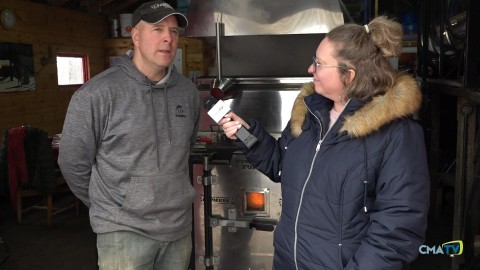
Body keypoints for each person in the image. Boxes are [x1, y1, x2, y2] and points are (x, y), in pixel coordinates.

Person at [219, 16, 430, 270]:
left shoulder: (397, 135)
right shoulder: (310, 113)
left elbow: (398, 231)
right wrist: (248, 136)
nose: (310, 70)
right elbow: (281, 165)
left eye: (318, 64)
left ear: (349, 75)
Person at [58, 1, 200, 269]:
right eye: (157, 29)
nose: (168, 38)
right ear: (135, 35)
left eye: (174, 31)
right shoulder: (96, 94)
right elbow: (72, 163)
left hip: (178, 229)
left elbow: (185, 149)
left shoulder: (188, 93)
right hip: (123, 232)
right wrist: (113, 205)